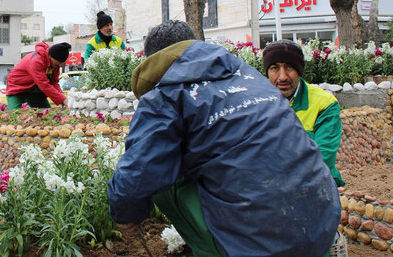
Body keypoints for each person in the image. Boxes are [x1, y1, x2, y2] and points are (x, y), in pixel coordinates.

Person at [108, 20, 340, 257]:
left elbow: (133, 177)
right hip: (320, 221)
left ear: (152, 61)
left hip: (258, 243)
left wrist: (127, 214)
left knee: (164, 176)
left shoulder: (165, 94)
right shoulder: (250, 78)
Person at [263, 40, 345, 187]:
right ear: (267, 72)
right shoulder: (256, 103)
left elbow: (322, 158)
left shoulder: (324, 104)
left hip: (315, 189)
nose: (282, 77)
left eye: (289, 67)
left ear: (300, 71)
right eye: (275, 68)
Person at [5, 42, 70, 109]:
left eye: (62, 62)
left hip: (35, 90)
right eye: (59, 62)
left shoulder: (55, 65)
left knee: (46, 113)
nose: (60, 65)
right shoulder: (36, 61)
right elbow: (44, 85)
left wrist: (61, 95)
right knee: (15, 114)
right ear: (50, 56)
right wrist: (62, 100)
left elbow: (54, 82)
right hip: (17, 86)